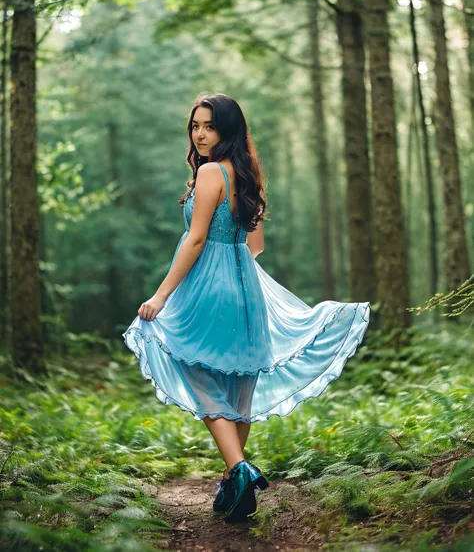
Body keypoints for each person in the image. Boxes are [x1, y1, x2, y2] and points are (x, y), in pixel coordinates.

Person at [122, 93, 371, 522]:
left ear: (227, 129)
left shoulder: (209, 175)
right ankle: (233, 488)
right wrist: (233, 266)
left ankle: (239, 469)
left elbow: (196, 240)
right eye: (196, 126)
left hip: (209, 288)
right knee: (240, 387)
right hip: (246, 288)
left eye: (209, 126)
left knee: (199, 377)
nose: (200, 134)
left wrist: (162, 295)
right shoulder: (247, 174)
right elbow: (255, 246)